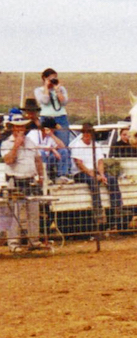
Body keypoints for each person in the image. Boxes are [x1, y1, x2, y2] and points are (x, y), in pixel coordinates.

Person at [1, 117, 43, 251]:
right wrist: (16, 145)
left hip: (30, 180)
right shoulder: (6, 143)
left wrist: (41, 175)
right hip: (15, 180)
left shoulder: (30, 142)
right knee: (15, 214)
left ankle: (34, 241)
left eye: (22, 127)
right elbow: (8, 160)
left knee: (34, 213)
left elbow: (38, 159)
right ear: (13, 128)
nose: (20, 129)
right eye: (17, 127)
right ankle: (13, 244)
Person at [70, 123, 122, 228]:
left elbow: (100, 161)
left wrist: (102, 175)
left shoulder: (96, 145)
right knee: (93, 182)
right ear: (82, 133)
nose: (87, 135)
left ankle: (116, 207)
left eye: (89, 133)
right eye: (85, 133)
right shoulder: (77, 145)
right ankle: (98, 209)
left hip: (95, 172)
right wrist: (93, 175)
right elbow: (79, 164)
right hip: (81, 173)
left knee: (112, 179)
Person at [34, 68, 72, 170]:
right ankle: (47, 171)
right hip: (46, 118)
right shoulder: (39, 90)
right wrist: (46, 88)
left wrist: (57, 90)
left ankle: (63, 172)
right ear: (44, 78)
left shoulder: (61, 89)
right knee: (46, 144)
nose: (53, 80)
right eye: (50, 78)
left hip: (61, 117)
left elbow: (64, 102)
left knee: (63, 145)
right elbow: (45, 101)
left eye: (55, 78)